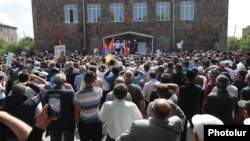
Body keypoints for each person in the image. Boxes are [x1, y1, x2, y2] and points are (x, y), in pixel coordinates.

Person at [116, 99, 182, 141]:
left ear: (152, 111)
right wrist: (170, 103)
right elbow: (182, 116)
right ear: (169, 114)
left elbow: (120, 139)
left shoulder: (139, 125)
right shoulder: (176, 123)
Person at [43, 74, 76, 141]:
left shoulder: (47, 93)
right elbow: (74, 106)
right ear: (64, 82)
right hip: (68, 123)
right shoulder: (70, 93)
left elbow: (45, 108)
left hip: (53, 123)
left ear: (54, 81)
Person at [74, 71, 103, 141]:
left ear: (84, 80)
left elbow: (76, 112)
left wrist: (78, 124)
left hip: (83, 123)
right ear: (94, 80)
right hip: (96, 122)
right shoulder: (99, 91)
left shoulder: (78, 95)